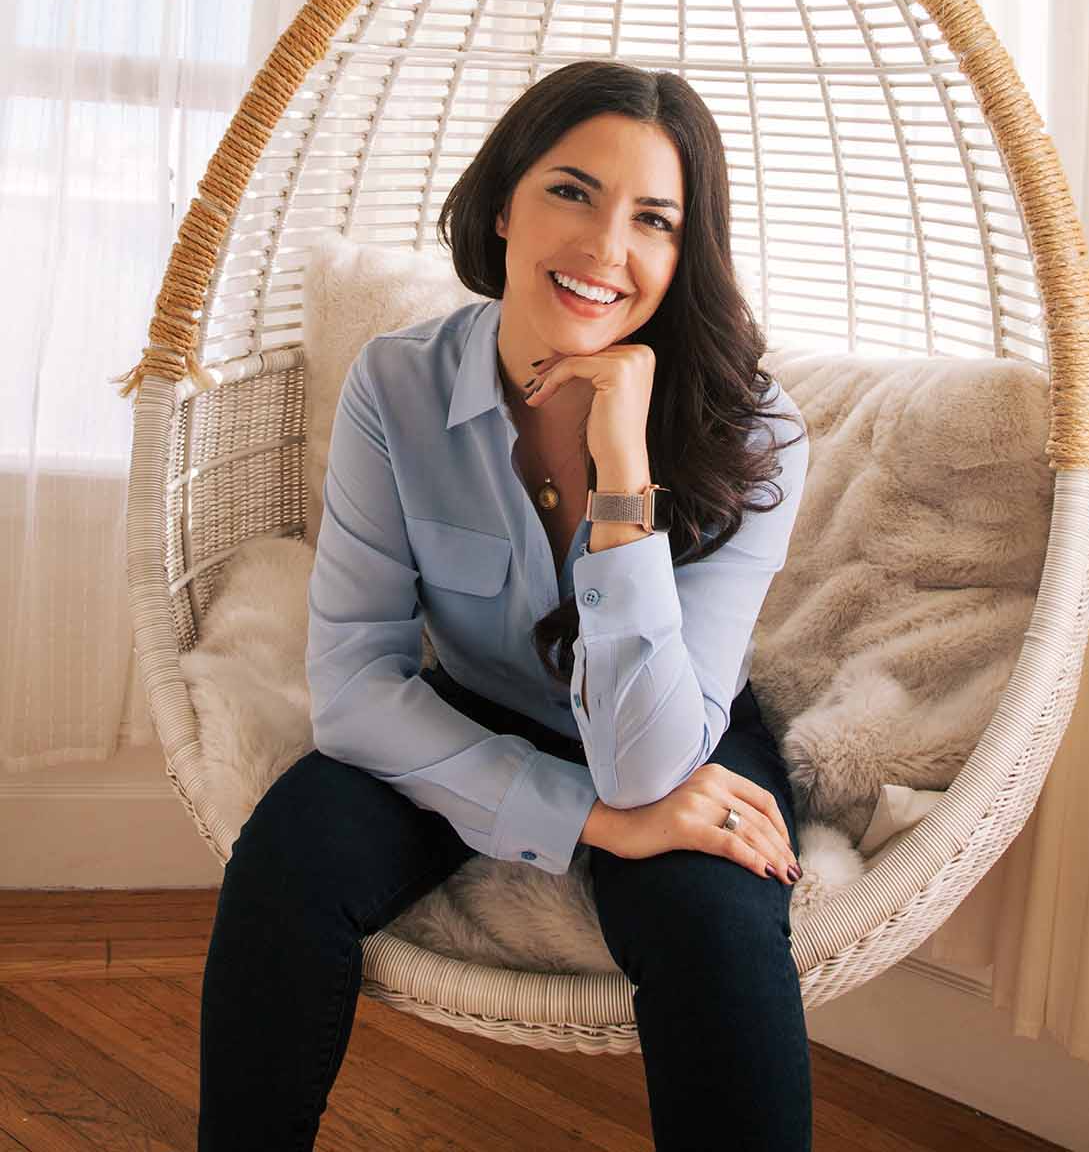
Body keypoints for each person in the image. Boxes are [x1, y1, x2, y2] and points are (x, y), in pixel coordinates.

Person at [197, 58, 814, 1151]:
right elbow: (351, 687)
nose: (605, 249)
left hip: (676, 724)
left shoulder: (758, 435)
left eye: (654, 220)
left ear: (686, 253)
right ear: (504, 204)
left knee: (716, 925)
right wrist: (585, 819)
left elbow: (650, 764)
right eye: (572, 191)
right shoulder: (397, 387)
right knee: (289, 861)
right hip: (474, 699)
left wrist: (620, 470)